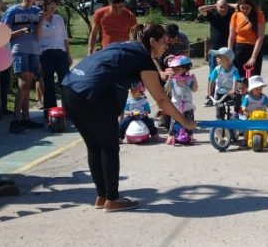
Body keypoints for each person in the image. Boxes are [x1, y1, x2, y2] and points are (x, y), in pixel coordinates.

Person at [61, 23, 197, 212]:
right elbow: (161, 100)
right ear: (152, 41)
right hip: (91, 94)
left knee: (94, 147)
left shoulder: (127, 46)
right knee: (109, 148)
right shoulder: (143, 59)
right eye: (164, 43)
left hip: (69, 88)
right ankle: (112, 199)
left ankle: (102, 197)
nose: (167, 47)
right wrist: (185, 122)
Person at [2, 0, 45, 133]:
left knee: (28, 84)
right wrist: (20, 31)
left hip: (34, 50)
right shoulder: (13, 10)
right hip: (19, 49)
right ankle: (15, 120)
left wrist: (43, 19)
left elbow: (40, 33)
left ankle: (26, 118)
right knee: (23, 84)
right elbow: (3, 34)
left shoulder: (37, 11)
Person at [37, 0, 71, 115]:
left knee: (65, 82)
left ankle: (68, 110)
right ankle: (50, 111)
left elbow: (64, 37)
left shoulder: (59, 19)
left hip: (60, 52)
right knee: (49, 82)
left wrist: (68, 54)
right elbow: (38, 36)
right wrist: (42, 19)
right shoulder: (38, 18)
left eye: (53, 6)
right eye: (49, 6)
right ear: (44, 6)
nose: (52, 9)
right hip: (45, 52)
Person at [164, 55, 198, 145]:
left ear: (185, 68)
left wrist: (194, 81)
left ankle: (190, 136)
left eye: (177, 68)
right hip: (176, 105)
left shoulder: (189, 78)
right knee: (174, 121)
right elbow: (166, 90)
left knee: (189, 120)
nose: (175, 70)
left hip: (187, 105)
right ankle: (171, 135)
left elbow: (194, 89)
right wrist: (169, 79)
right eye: (174, 68)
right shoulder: (173, 79)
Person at [228, 0, 266, 76]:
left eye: (247, 8)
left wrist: (253, 57)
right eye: (242, 8)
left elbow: (260, 37)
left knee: (254, 79)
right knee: (240, 79)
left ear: (252, 7)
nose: (245, 10)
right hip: (239, 50)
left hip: (254, 49)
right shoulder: (235, 15)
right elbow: (231, 37)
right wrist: (229, 55)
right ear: (239, 6)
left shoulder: (259, 15)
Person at [241, 75, 268, 145]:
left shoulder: (264, 97)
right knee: (246, 126)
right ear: (251, 89)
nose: (259, 91)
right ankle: (245, 140)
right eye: (256, 89)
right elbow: (243, 106)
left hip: (262, 117)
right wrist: (245, 111)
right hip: (251, 116)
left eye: (260, 89)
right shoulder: (248, 97)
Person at [207, 47, 240, 118]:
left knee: (238, 98)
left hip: (231, 93)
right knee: (220, 108)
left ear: (227, 59)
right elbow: (212, 81)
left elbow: (235, 79)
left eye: (219, 56)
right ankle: (220, 119)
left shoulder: (234, 70)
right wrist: (209, 93)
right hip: (220, 93)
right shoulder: (217, 69)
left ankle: (237, 113)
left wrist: (233, 89)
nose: (216, 58)